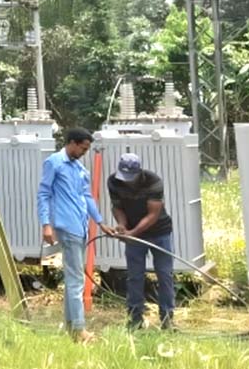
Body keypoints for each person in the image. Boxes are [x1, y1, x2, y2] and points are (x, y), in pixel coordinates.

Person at [37, 127, 115, 343]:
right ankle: (80, 330)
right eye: (83, 148)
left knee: (74, 277)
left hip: (80, 226)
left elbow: (87, 197)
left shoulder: (80, 169)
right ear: (72, 143)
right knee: (76, 279)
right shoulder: (54, 163)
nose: (84, 152)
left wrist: (100, 222)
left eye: (87, 149)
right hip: (66, 226)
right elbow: (43, 194)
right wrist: (46, 224)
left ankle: (72, 327)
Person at [108, 153, 176, 330]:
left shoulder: (153, 182)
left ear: (139, 172)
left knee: (164, 275)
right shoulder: (114, 181)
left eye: (131, 178)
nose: (127, 181)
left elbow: (153, 214)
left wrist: (132, 233)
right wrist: (122, 225)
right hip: (133, 234)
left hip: (159, 232)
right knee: (135, 277)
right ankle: (135, 319)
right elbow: (117, 207)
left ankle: (167, 320)